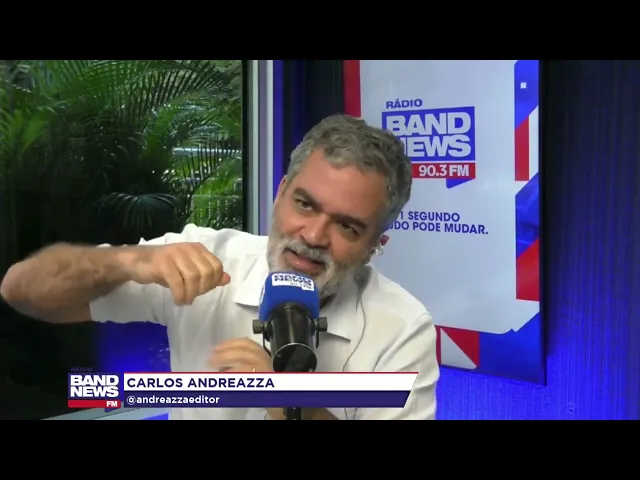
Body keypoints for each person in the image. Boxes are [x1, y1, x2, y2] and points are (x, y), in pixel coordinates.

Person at [0, 114, 439, 420]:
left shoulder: (402, 328)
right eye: (305, 204)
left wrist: (286, 395)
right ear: (280, 193)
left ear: (375, 246)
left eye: (346, 226)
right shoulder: (206, 257)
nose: (313, 235)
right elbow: (21, 290)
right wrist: (124, 261)